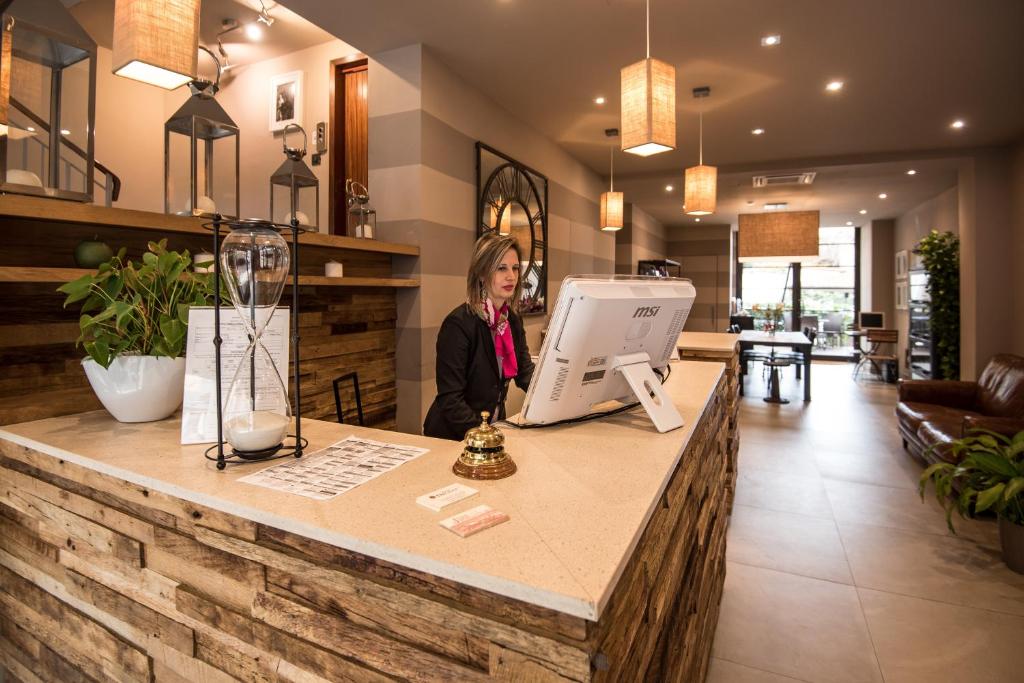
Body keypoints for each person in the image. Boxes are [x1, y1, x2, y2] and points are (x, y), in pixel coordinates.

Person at [423, 233, 535, 440]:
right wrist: (486, 437)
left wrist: (556, 395)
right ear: (482, 274)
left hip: (490, 430)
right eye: (501, 268)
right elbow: (451, 399)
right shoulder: (458, 325)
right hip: (451, 436)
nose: (511, 276)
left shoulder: (513, 321)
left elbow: (525, 373)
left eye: (515, 268)